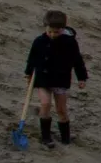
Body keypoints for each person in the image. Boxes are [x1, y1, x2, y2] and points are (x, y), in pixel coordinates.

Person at [23, 10, 88, 149]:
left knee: (61, 110)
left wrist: (82, 77)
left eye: (56, 32)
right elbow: (32, 60)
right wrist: (28, 74)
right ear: (46, 27)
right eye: (50, 31)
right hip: (43, 78)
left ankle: (65, 137)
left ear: (63, 29)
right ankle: (46, 136)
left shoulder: (70, 42)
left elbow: (77, 61)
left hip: (60, 79)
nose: (52, 34)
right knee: (45, 104)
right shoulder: (39, 41)